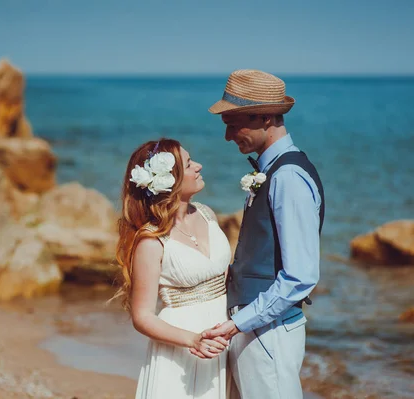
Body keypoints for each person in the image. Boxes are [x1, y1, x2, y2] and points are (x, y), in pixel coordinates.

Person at [199, 69, 325, 399]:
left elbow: (300, 276)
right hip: (257, 327)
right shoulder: (272, 172)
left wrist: (238, 324)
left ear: (266, 117)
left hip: (269, 331)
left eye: (233, 124)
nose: (227, 136)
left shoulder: (289, 178)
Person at [114, 138, 233, 398]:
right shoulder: (151, 240)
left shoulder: (206, 214)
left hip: (223, 335)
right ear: (170, 180)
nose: (199, 166)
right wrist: (193, 340)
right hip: (184, 343)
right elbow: (142, 316)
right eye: (189, 164)